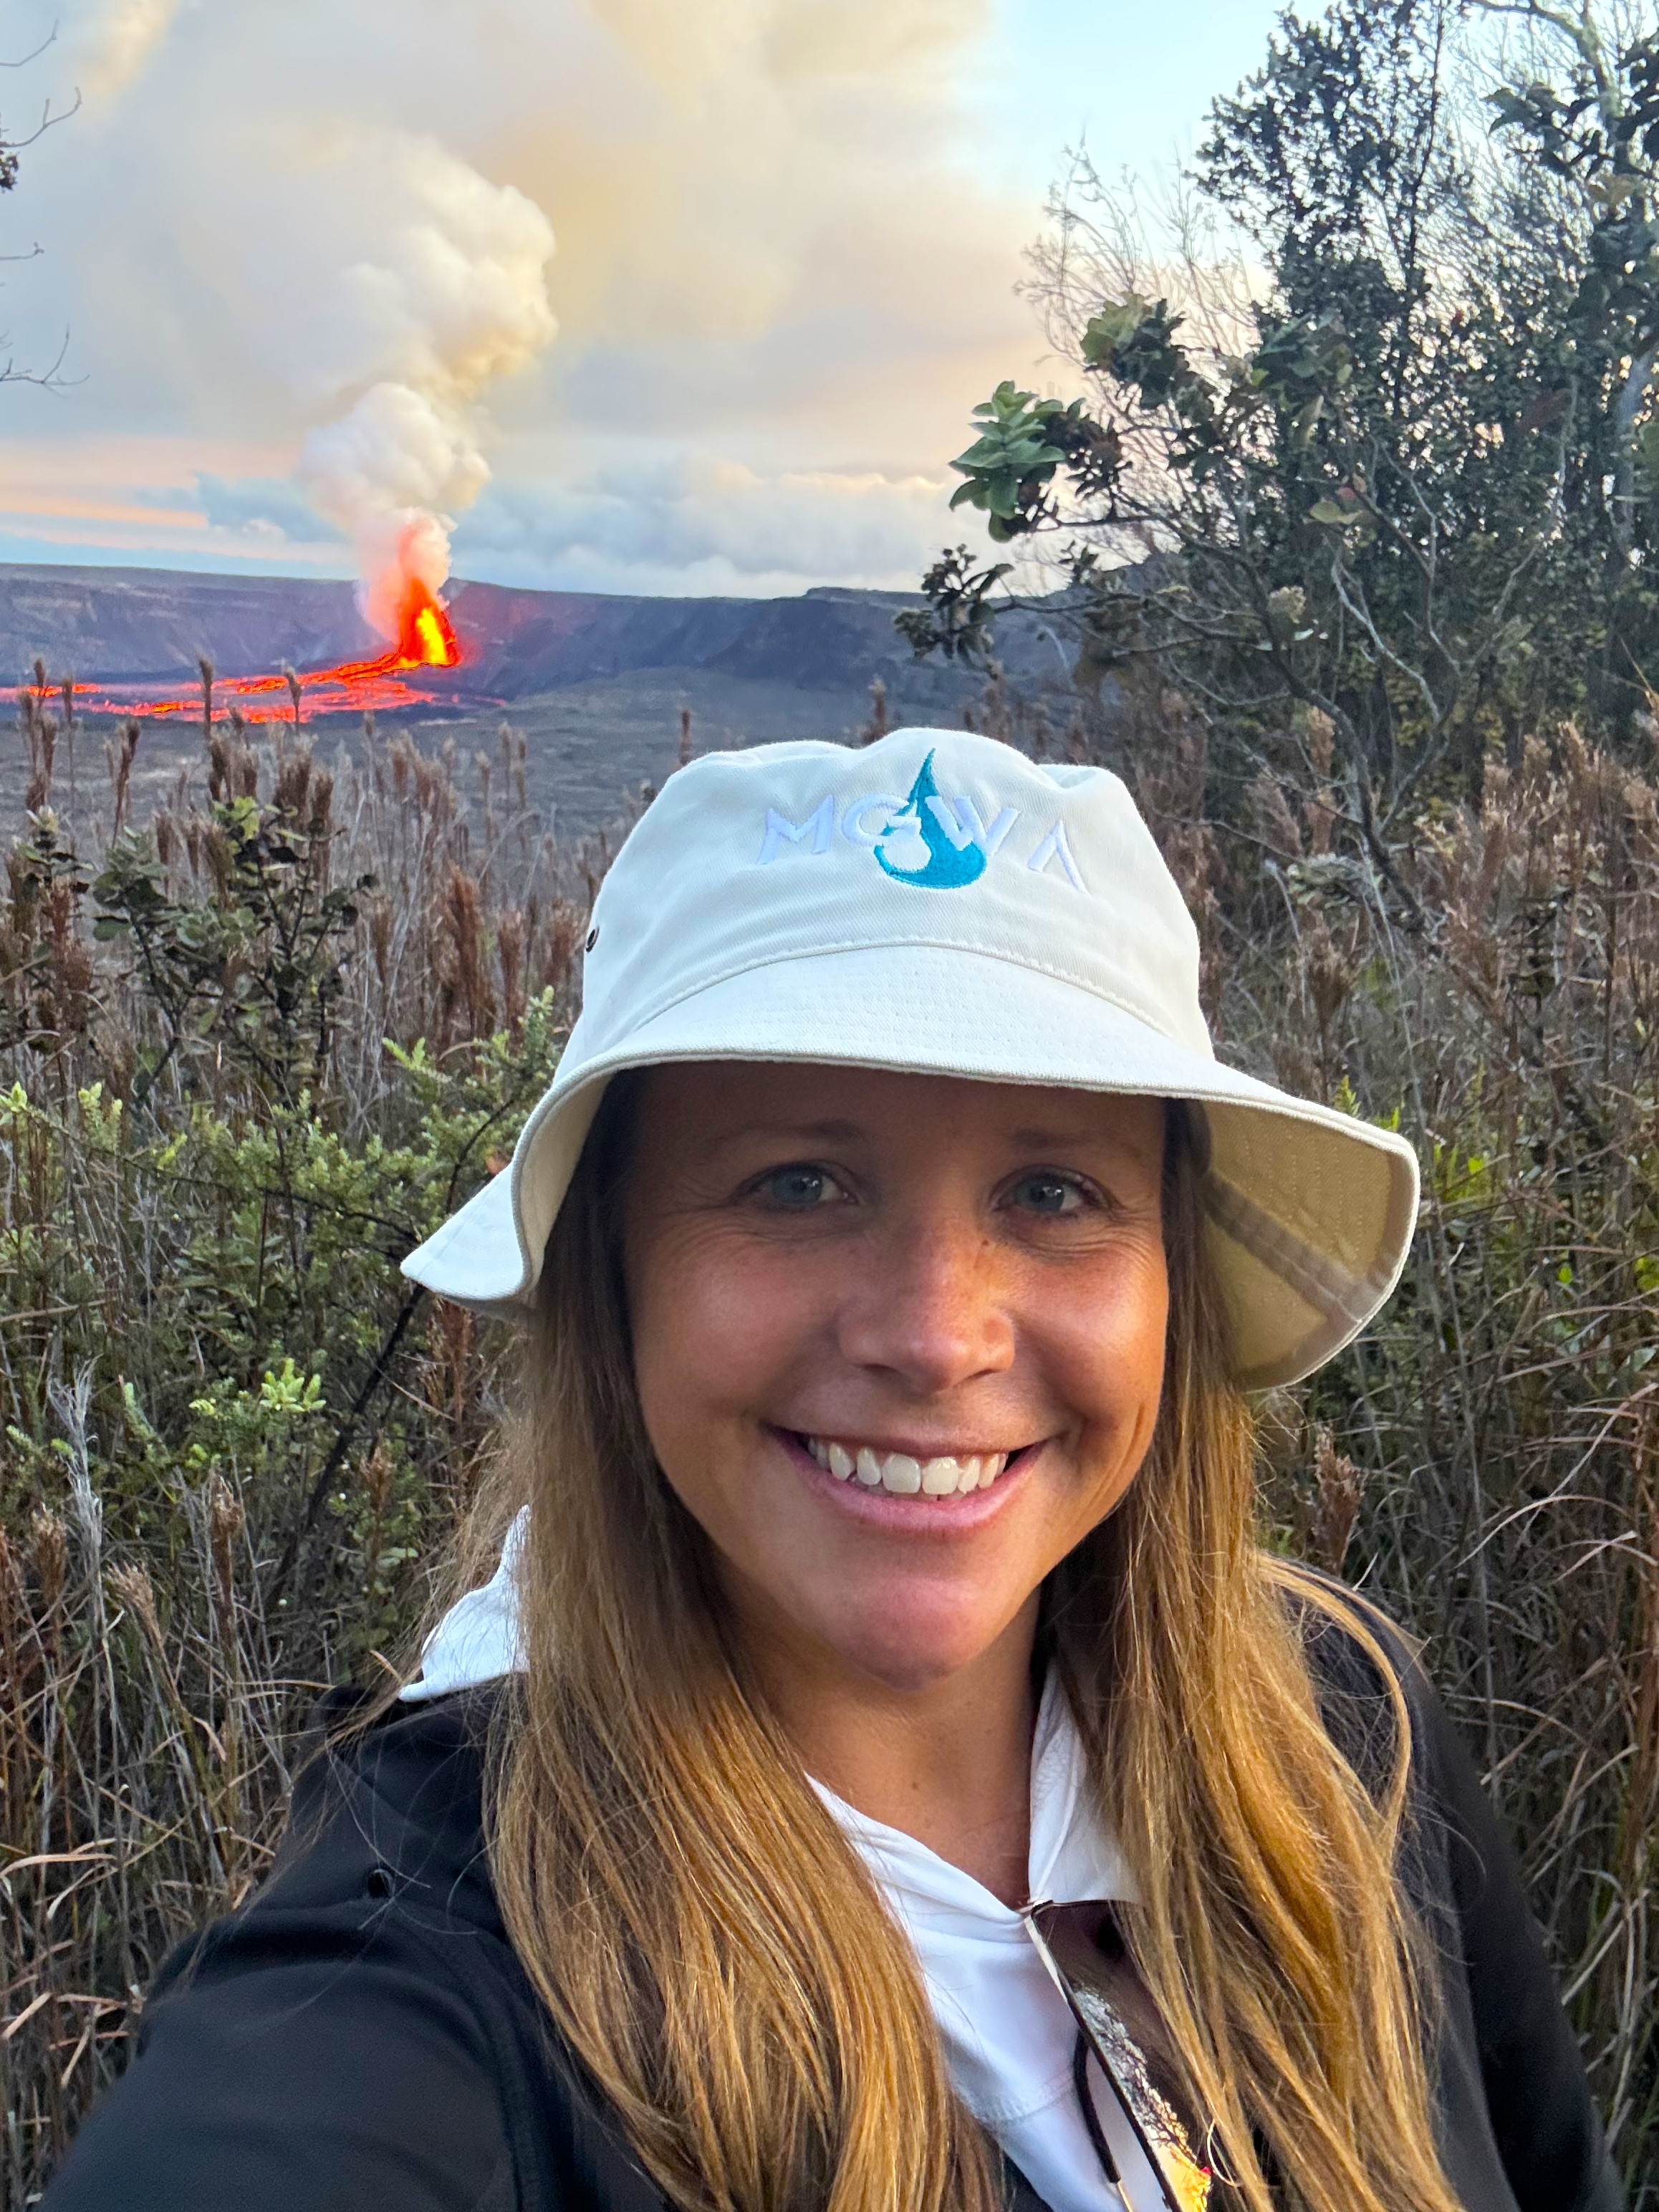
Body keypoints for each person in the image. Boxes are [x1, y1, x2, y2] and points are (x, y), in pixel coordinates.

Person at [44, 728, 1621, 2212]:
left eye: (1055, 1188)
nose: (937, 1334)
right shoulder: (437, 1955)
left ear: (1171, 1283)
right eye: (797, 1181)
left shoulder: (1339, 1727)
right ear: (614, 1275)